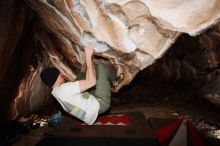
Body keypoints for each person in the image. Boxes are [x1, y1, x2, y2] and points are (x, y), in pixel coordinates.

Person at [40, 44, 122, 125]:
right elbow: (91, 82)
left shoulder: (56, 93)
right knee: (101, 67)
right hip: (100, 105)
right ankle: (116, 81)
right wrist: (88, 57)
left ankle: (93, 75)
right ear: (55, 78)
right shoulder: (65, 89)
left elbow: (74, 109)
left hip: (87, 116)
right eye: (59, 74)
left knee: (80, 77)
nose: (62, 74)